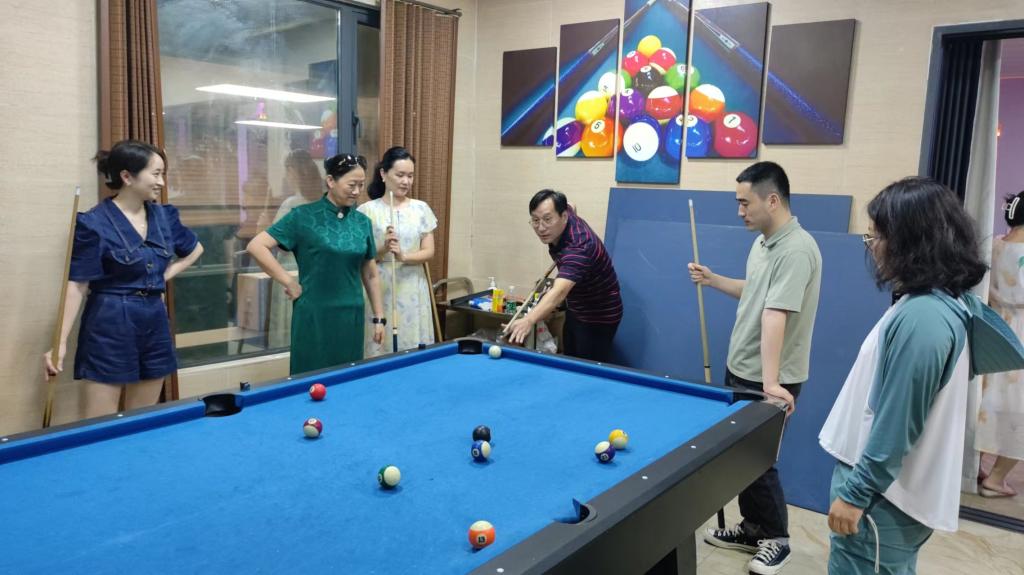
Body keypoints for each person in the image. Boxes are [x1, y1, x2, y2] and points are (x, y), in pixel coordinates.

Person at [818, 177, 1024, 573]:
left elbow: (898, 423)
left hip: (881, 503)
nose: (872, 246)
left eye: (877, 236)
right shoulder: (936, 303)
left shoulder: (924, 318)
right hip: (885, 499)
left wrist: (857, 494)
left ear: (910, 242)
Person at [689, 161, 822, 575]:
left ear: (773, 200)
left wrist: (770, 383)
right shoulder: (764, 243)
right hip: (744, 368)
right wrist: (713, 279)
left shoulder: (796, 250)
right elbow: (756, 293)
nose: (740, 211)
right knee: (740, 459)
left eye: (745, 203)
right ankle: (752, 529)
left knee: (759, 461)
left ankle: (776, 539)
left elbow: (775, 315)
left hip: (769, 378)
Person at [43, 139, 204, 417]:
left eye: (163, 174)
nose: (161, 182)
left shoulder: (164, 216)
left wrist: (163, 276)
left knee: (142, 420)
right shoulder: (94, 223)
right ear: (127, 176)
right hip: (110, 323)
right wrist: (61, 342)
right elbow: (78, 285)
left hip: (154, 320)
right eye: (156, 174)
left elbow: (195, 250)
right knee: (101, 422)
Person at [246, 153, 385, 375]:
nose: (357, 191)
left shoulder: (362, 222)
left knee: (347, 379)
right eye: (351, 185)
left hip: (351, 316)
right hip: (313, 315)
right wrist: (288, 281)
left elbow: (370, 274)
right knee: (310, 379)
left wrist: (379, 317)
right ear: (330, 181)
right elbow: (257, 246)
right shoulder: (303, 216)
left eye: (361, 185)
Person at [507, 189, 622, 362]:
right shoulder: (566, 210)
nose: (541, 228)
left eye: (548, 219)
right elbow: (571, 205)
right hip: (577, 307)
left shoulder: (579, 248)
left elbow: (559, 292)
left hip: (599, 315)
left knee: (586, 369)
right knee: (570, 359)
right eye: (535, 220)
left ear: (564, 217)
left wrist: (528, 320)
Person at [357, 146, 437, 356]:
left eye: (410, 176)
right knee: (379, 347)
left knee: (412, 345)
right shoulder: (366, 211)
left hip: (412, 285)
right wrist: (383, 248)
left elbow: (429, 251)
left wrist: (403, 255)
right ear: (383, 174)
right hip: (379, 285)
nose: (406, 181)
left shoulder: (421, 208)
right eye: (400, 175)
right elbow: (362, 258)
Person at [974, 190, 1024, 498]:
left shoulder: (992, 246)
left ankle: (976, 467)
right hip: (1022, 332)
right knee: (1018, 410)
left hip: (993, 328)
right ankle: (996, 478)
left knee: (987, 403)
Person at [267, 149, 325, 349]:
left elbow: (279, 244)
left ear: (292, 172)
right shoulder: (324, 202)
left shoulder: (292, 205)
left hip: (291, 269)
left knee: (291, 317)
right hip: (316, 269)